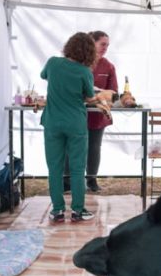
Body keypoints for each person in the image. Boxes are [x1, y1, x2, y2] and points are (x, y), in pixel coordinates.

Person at [41, 32, 98, 224]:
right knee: (77, 168)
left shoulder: (53, 63)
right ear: (89, 53)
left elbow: (43, 75)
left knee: (54, 168)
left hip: (52, 123)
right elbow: (89, 97)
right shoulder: (85, 72)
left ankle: (57, 210)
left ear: (69, 46)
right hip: (75, 124)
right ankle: (77, 211)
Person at [85, 30, 118, 192]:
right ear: (92, 43)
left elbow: (114, 92)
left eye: (107, 45)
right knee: (72, 147)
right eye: (102, 44)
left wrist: (99, 94)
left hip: (99, 115)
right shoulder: (80, 63)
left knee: (94, 147)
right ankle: (67, 181)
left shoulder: (108, 66)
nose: (105, 48)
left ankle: (91, 180)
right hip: (78, 113)